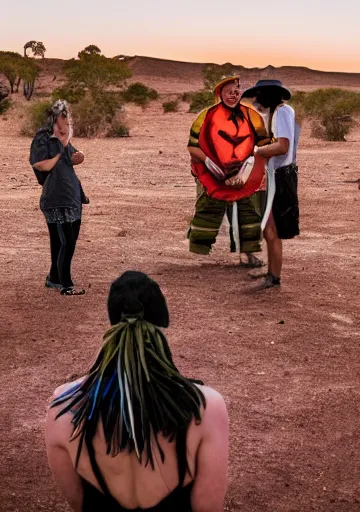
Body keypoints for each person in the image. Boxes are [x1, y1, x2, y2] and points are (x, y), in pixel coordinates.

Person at [45, 271, 229, 511]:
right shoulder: (205, 408)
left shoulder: (63, 407)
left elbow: (78, 502)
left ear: (113, 320)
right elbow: (207, 507)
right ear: (159, 322)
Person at [187, 76, 269, 266]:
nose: (233, 95)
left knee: (250, 212)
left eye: (236, 91)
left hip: (246, 174)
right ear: (220, 94)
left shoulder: (252, 115)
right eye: (229, 92)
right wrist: (208, 163)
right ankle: (199, 250)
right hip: (213, 173)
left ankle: (247, 255)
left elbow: (264, 143)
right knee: (208, 208)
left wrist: (248, 167)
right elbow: (192, 146)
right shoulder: (206, 116)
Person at [241, 79, 300, 290]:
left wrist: (256, 151)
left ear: (267, 95)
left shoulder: (282, 112)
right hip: (279, 173)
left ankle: (274, 276)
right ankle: (272, 274)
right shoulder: (279, 113)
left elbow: (282, 146)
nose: (255, 100)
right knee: (268, 227)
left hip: (280, 175)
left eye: (258, 95)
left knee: (270, 227)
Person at [29, 99, 88, 296]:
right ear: (56, 118)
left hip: (72, 195)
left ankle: (54, 278)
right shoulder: (43, 138)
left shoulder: (64, 139)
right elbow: (40, 165)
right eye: (65, 117)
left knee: (60, 240)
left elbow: (70, 158)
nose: (68, 121)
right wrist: (61, 149)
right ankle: (66, 285)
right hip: (55, 197)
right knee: (66, 242)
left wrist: (77, 156)